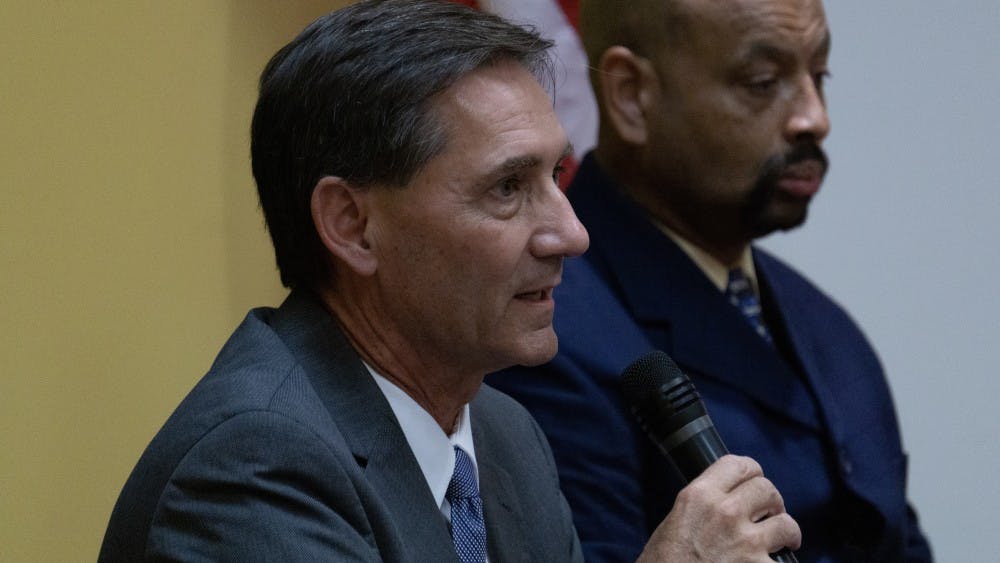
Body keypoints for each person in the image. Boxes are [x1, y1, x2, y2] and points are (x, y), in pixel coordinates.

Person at [98, 1, 802, 561]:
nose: (573, 234)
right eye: (506, 188)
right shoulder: (252, 467)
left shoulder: (505, 436)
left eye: (555, 176)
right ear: (351, 225)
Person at [487, 0, 934, 561]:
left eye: (818, 76)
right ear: (630, 94)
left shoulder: (826, 327)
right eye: (763, 81)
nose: (814, 117)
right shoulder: (541, 331)